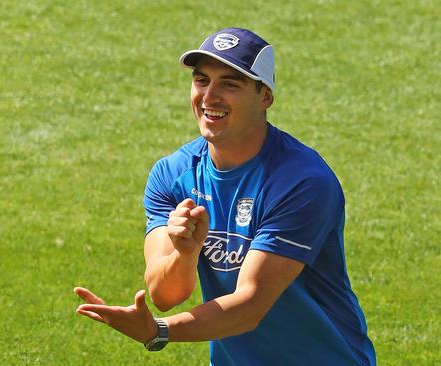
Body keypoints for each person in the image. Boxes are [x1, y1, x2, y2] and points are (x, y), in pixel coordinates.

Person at [74, 27, 376, 365]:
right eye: (202, 80)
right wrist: (185, 254)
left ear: (265, 97)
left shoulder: (302, 181)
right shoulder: (172, 175)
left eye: (230, 84)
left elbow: (249, 306)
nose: (209, 97)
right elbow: (165, 294)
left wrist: (158, 331)